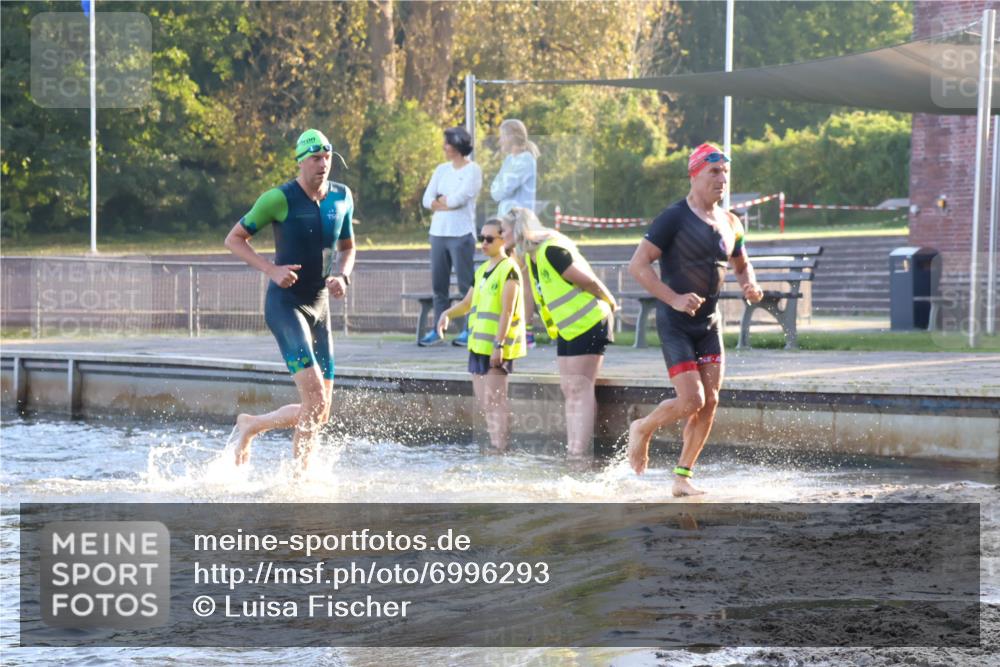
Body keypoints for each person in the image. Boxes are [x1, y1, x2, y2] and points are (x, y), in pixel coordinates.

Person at [626, 142, 763, 496]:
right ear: (695, 174)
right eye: (714, 172)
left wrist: (749, 285)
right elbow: (638, 265)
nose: (722, 179)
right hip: (675, 322)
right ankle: (643, 428)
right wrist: (673, 298)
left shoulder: (731, 221)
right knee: (691, 401)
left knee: (711, 400)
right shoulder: (674, 217)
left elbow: (741, 263)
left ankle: (682, 477)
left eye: (725, 173)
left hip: (709, 324)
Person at [223, 129, 355, 468]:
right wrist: (271, 269)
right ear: (300, 162)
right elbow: (235, 239)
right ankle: (300, 481)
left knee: (321, 411)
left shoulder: (342, 197)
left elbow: (348, 247)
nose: (323, 164)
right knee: (314, 398)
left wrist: (342, 276)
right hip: (286, 305)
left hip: (320, 306)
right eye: (315, 158)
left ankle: (251, 424)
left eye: (327, 157)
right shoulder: (278, 199)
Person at [504, 207, 618, 460]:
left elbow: (587, 281)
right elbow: (531, 295)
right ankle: (573, 450)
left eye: (504, 231)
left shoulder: (551, 250)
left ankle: (580, 453)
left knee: (580, 388)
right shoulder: (531, 258)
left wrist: (610, 301)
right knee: (569, 388)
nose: (501, 236)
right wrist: (527, 327)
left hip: (588, 322)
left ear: (518, 228)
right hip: (568, 327)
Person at [436, 219, 526, 452]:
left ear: (503, 240)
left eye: (489, 239)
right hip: (478, 345)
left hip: (496, 346)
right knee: (486, 402)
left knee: (496, 400)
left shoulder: (509, 269)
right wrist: (447, 313)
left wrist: (500, 344)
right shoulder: (482, 270)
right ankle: (497, 445)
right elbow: (467, 303)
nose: (483, 243)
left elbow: (507, 310)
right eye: (481, 238)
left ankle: (501, 447)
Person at [420, 127, 483, 347]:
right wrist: (442, 202)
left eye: (447, 143)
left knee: (467, 285)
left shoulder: (473, 170)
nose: (444, 147)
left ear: (456, 146)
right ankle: (438, 330)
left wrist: (443, 202)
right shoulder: (441, 169)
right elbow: (427, 200)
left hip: (462, 235)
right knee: (439, 286)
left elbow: (459, 200)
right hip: (437, 234)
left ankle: (470, 329)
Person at [490, 119, 540, 346]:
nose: (500, 140)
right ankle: (510, 325)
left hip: (520, 227)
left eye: (502, 135)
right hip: (504, 225)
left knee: (523, 278)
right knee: (507, 276)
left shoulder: (525, 160)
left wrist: (498, 186)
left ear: (511, 136)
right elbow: (494, 191)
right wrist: (498, 186)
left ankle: (527, 330)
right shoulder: (509, 160)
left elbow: (501, 190)